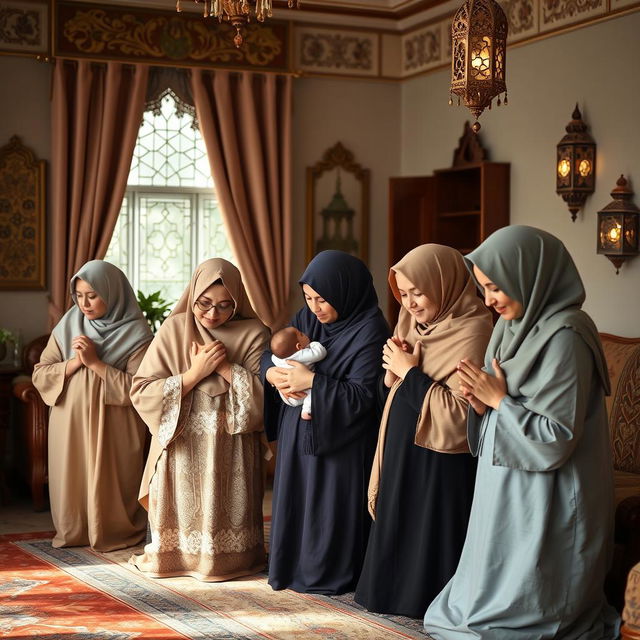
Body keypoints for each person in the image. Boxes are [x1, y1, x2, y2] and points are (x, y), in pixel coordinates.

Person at [424, 225, 620, 639]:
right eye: (484, 289)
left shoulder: (567, 336)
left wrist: (497, 401)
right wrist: (480, 404)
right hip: (508, 483)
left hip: (553, 489)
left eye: (496, 288)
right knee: (473, 603)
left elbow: (556, 435)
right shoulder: (510, 327)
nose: (490, 301)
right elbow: (502, 401)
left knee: (527, 607)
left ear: (528, 276)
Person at [354, 244, 493, 618]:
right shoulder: (409, 322)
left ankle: (425, 601)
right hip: (404, 445)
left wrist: (410, 372)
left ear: (444, 284)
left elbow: (462, 413)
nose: (410, 303)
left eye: (418, 292)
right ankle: (390, 593)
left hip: (441, 458)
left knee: (428, 533)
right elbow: (395, 384)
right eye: (403, 292)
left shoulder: (474, 329)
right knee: (398, 518)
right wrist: (394, 370)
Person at [129, 258, 270, 582]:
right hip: (181, 443)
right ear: (192, 296)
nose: (212, 314)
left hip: (232, 445)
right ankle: (175, 556)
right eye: (204, 304)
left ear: (237, 302)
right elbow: (142, 390)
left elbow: (265, 398)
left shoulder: (254, 332)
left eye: (224, 306)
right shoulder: (175, 328)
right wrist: (194, 374)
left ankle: (231, 559)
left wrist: (224, 369)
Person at [262, 250, 390, 594]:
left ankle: (324, 572)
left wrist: (313, 382)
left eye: (322, 299)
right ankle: (290, 566)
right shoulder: (310, 318)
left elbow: (364, 396)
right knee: (295, 503)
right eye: (308, 298)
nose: (315, 308)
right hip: (298, 432)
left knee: (327, 509)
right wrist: (271, 373)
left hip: (341, 440)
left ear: (346, 292)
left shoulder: (370, 330)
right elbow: (273, 349)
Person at [32, 260, 153, 551]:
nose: (84, 303)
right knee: (72, 475)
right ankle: (75, 531)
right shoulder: (68, 325)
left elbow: (140, 388)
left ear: (112, 293)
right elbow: (41, 372)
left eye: (93, 295)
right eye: (79, 295)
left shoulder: (137, 333)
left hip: (116, 422)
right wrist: (75, 363)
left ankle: (113, 530)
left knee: (110, 479)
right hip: (69, 419)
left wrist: (96, 364)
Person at [270, 326, 327, 419]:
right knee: (314, 390)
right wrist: (313, 344)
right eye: (301, 334)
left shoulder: (278, 358)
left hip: (285, 394)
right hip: (300, 394)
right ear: (299, 346)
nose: (304, 333)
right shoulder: (302, 355)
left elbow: (272, 357)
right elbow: (321, 353)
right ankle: (307, 411)